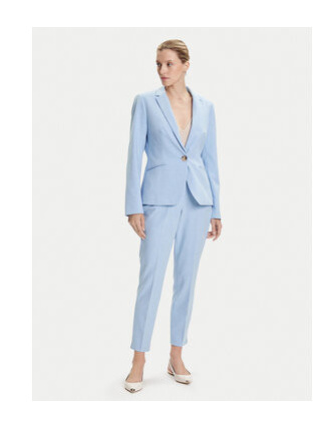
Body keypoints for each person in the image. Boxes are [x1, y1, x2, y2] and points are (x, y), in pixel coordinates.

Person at [123, 39, 222, 393]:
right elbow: (134, 154)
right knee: (150, 279)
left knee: (186, 281)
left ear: (185, 65)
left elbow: (210, 160)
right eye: (158, 64)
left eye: (169, 64)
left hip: (197, 201)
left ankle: (176, 355)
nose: (162, 70)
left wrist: (216, 208)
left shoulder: (206, 107)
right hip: (157, 201)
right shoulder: (145, 102)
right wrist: (134, 205)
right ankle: (138, 359)